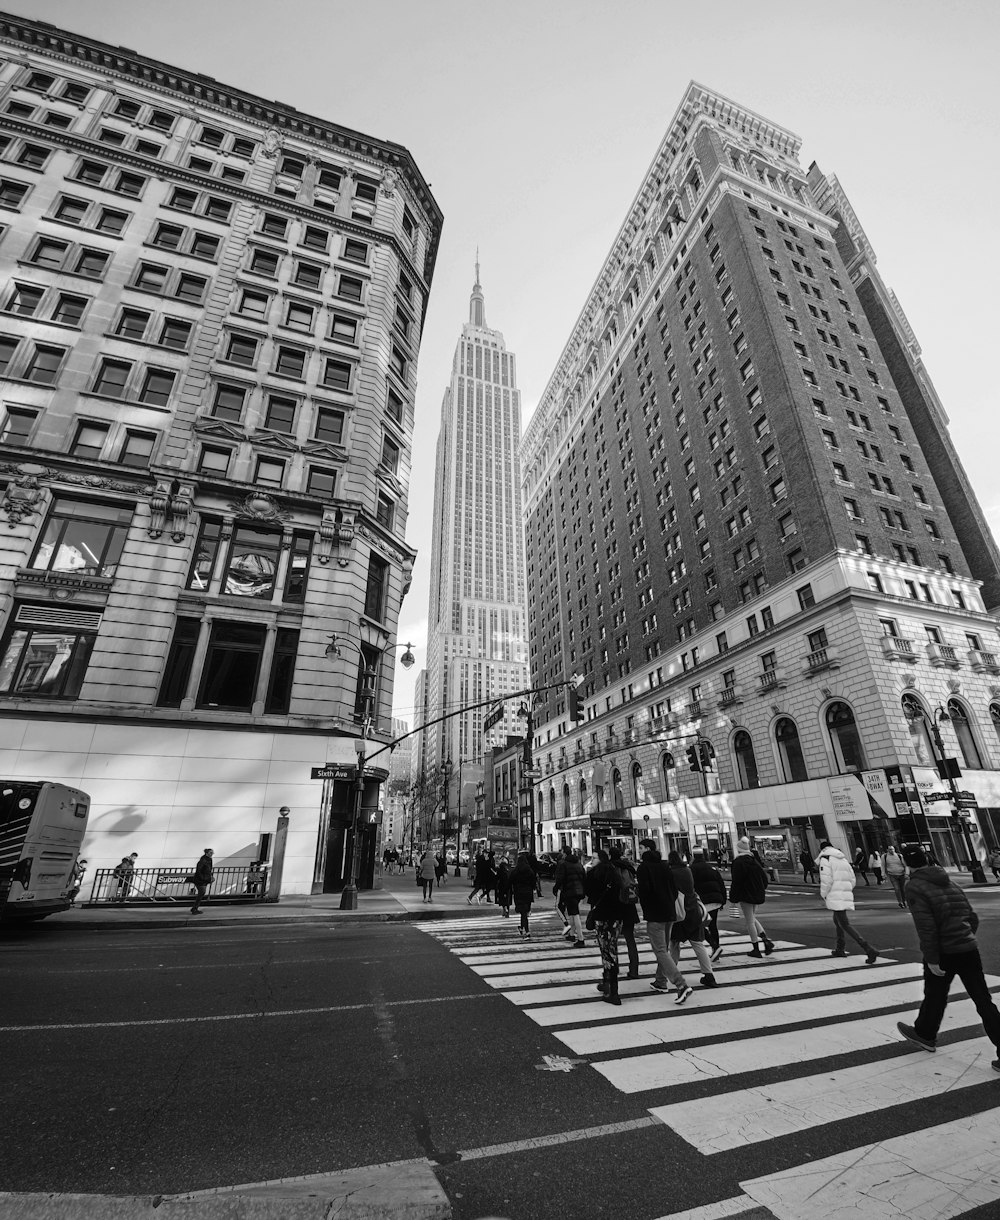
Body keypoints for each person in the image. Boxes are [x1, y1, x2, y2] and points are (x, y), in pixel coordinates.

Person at [896, 845, 999, 1072]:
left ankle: (925, 1034)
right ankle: (925, 1032)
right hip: (967, 948)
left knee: (935, 994)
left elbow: (926, 927)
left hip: (943, 951)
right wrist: (965, 936)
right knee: (983, 1000)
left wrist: (932, 958)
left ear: (907, 863)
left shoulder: (914, 886)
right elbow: (971, 916)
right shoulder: (949, 881)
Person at [636, 843, 692, 1004]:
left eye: (641, 848)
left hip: (655, 914)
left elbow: (645, 891)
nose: (638, 850)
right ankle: (660, 981)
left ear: (647, 850)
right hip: (669, 912)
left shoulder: (643, 868)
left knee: (660, 950)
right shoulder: (664, 865)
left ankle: (681, 984)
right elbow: (674, 890)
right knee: (664, 949)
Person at [817, 839, 878, 963]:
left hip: (834, 893)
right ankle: (840, 948)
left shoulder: (825, 859)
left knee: (844, 923)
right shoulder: (842, 858)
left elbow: (826, 880)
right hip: (844, 892)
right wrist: (847, 889)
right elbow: (852, 878)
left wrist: (824, 894)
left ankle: (868, 948)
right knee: (838, 920)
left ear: (822, 849)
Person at [585, 848, 630, 1005]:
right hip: (617, 917)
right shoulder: (615, 873)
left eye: (594, 857)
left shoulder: (593, 874)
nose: (592, 860)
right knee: (612, 949)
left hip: (602, 917)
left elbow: (587, 893)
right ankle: (609, 985)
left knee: (606, 952)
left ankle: (613, 992)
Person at [667, 850, 718, 987]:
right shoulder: (687, 870)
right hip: (693, 910)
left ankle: (673, 972)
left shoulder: (671, 873)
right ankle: (709, 975)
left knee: (674, 943)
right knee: (698, 943)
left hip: (679, 912)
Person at [728, 837, 774, 958]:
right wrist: (761, 889)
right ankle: (766, 940)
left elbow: (736, 882)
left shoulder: (738, 863)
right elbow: (764, 879)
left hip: (745, 894)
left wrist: (733, 898)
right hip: (756, 893)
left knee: (749, 922)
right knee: (752, 918)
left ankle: (756, 948)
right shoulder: (754, 861)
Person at [609, 845, 640, 977]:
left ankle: (612, 971)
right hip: (629, 905)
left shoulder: (610, 868)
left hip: (615, 906)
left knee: (611, 942)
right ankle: (634, 969)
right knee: (630, 939)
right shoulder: (628, 867)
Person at [690, 847, 727, 961]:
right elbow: (721, 884)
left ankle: (715, 947)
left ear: (693, 856)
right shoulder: (712, 868)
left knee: (698, 925)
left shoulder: (692, 869)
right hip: (715, 900)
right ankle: (716, 950)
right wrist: (723, 900)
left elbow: (691, 886)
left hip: (703, 902)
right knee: (713, 926)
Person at [553, 846, 587, 947]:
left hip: (569, 891)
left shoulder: (564, 865)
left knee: (575, 914)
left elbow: (560, 879)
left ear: (564, 853)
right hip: (578, 891)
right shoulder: (578, 864)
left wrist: (556, 888)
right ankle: (572, 934)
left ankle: (580, 938)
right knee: (572, 913)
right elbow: (584, 877)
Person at [510, 851, 541, 939]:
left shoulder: (516, 871)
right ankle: (522, 928)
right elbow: (533, 881)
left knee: (523, 913)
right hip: (528, 894)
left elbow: (510, 880)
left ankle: (526, 931)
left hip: (519, 893)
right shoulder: (529, 870)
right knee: (524, 912)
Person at [190, 848, 214, 914]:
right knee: (202, 893)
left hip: (204, 879)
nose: (212, 854)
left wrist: (210, 877)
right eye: (210, 853)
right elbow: (199, 871)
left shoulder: (209, 860)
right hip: (200, 880)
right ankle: (194, 908)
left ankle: (195, 908)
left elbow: (208, 870)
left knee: (201, 894)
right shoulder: (203, 861)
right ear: (206, 853)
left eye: (212, 853)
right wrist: (204, 878)